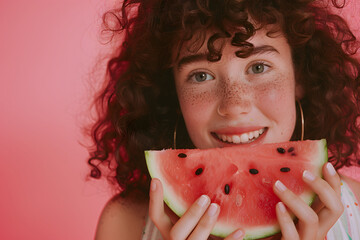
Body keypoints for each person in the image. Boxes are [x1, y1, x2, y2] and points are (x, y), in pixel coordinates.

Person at [87, 0, 360, 239]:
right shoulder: (125, 224)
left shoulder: (356, 209)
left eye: (258, 67)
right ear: (172, 94)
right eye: (200, 75)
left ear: (299, 77)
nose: (234, 105)